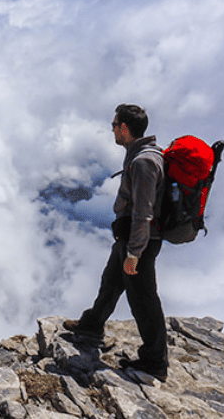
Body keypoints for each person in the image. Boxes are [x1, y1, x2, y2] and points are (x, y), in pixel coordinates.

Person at [64, 103, 169, 382]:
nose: (111, 129)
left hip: (141, 243)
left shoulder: (144, 161)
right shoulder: (138, 154)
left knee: (144, 300)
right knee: (111, 281)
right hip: (129, 239)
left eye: (113, 125)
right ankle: (91, 326)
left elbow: (144, 213)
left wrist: (134, 253)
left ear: (124, 128)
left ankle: (155, 363)